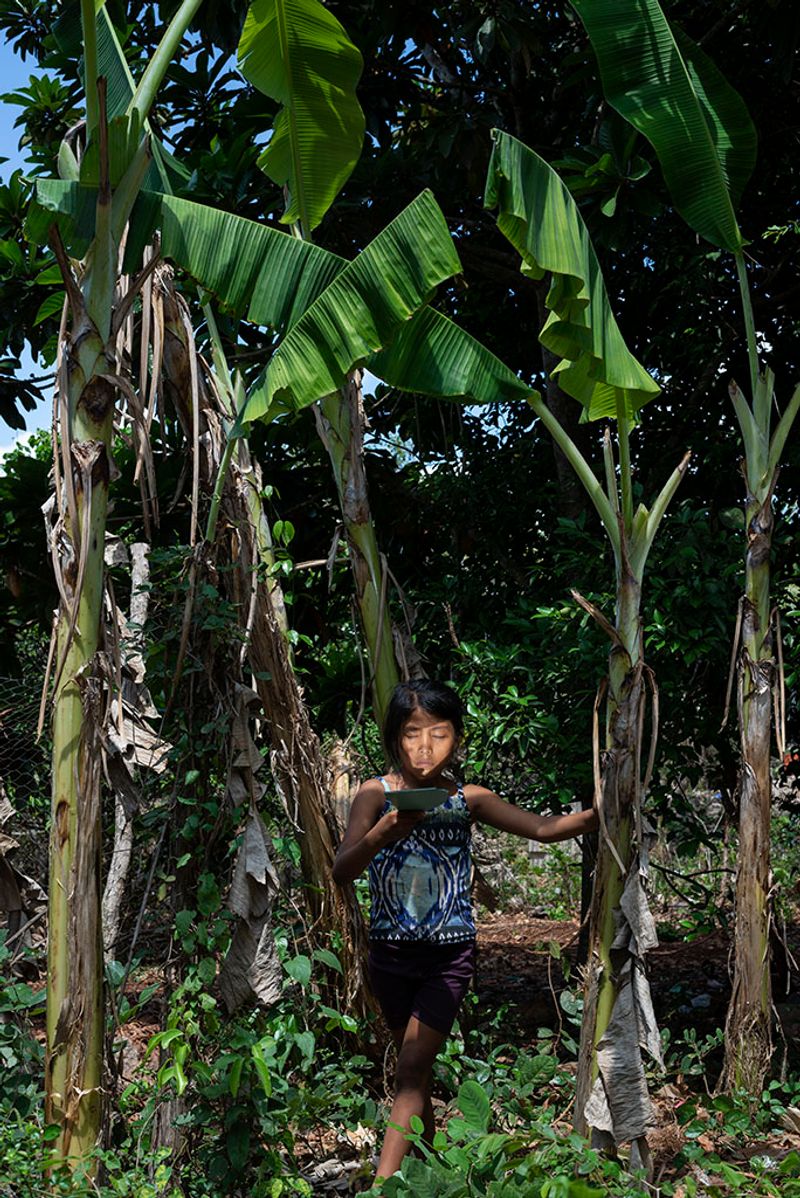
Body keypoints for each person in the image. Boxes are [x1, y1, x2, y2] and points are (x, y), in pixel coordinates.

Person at [332, 679, 598, 1183]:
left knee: (409, 1071)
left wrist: (601, 814)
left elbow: (543, 828)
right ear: (394, 738)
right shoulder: (375, 794)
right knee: (416, 1074)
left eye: (440, 733)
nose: (425, 747)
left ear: (457, 739)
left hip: (449, 957)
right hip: (388, 956)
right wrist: (384, 831)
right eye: (412, 734)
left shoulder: (466, 799)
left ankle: (384, 1188)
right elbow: (342, 869)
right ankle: (429, 1175)